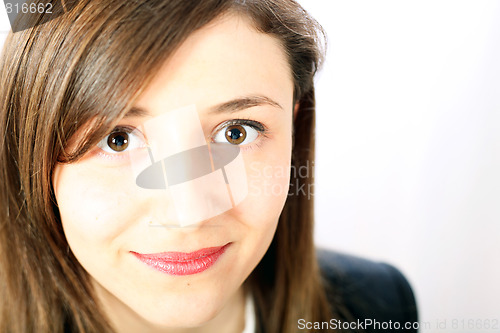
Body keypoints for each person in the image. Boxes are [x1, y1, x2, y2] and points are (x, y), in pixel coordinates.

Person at [0, 0, 418, 332]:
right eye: (118, 139)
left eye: (236, 133)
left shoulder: (378, 305)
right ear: (28, 149)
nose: (189, 216)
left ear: (293, 124)